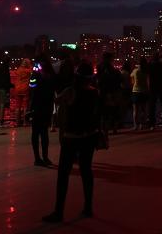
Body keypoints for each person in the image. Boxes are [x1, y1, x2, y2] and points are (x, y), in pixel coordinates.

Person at [42, 61, 101, 223]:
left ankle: (59, 211)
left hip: (72, 137)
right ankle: (88, 207)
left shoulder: (70, 91)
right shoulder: (95, 92)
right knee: (86, 171)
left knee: (63, 174)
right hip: (89, 136)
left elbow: (57, 101)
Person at [29, 54, 56, 166]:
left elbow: (31, 86)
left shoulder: (39, 75)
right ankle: (44, 157)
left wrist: (34, 74)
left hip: (37, 105)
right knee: (43, 132)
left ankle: (38, 158)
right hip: (47, 105)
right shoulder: (51, 75)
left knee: (36, 133)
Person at [96, 53, 123, 134]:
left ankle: (105, 129)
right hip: (111, 92)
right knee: (113, 110)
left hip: (102, 92)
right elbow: (117, 79)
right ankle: (113, 128)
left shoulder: (100, 67)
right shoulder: (112, 70)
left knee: (104, 112)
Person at [146, 53, 162, 130]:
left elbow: (145, 70)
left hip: (153, 87)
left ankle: (152, 124)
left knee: (152, 106)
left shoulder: (150, 65)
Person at [131, 57, 149, 130]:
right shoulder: (146, 71)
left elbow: (131, 78)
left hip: (135, 91)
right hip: (144, 91)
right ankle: (142, 124)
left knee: (135, 110)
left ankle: (136, 125)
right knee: (143, 109)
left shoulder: (135, 71)